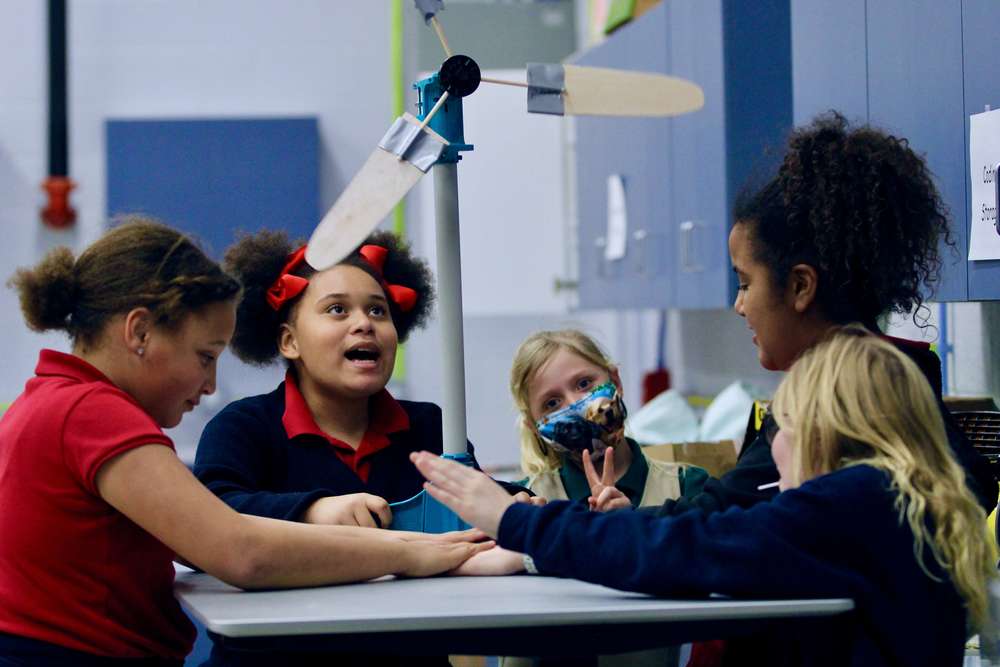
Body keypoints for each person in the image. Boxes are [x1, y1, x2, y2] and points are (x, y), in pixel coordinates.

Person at [0, 219, 489, 667]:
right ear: (140, 331)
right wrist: (406, 553)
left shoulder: (53, 400)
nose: (210, 384)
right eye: (205, 356)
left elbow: (205, 539)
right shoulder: (93, 413)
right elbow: (241, 552)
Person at [412, 327, 996, 666]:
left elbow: (683, 544)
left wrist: (518, 526)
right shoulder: (903, 504)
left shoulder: (850, 505)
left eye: (783, 427)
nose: (775, 451)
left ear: (833, 430)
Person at [633, 111, 994, 517]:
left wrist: (584, 526)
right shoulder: (906, 382)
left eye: (746, 283)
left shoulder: (832, 411)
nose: (740, 305)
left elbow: (704, 525)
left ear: (801, 286)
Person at [193, 229, 522, 665]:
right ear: (289, 341)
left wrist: (527, 507)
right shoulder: (243, 427)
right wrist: (313, 511)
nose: (364, 322)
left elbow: (474, 505)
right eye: (336, 309)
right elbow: (209, 516)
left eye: (377, 310)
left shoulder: (430, 426)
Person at [510, 329, 707, 510]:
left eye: (584, 383)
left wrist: (630, 525)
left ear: (616, 381)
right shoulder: (523, 502)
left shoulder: (686, 486)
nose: (575, 406)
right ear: (534, 427)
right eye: (552, 403)